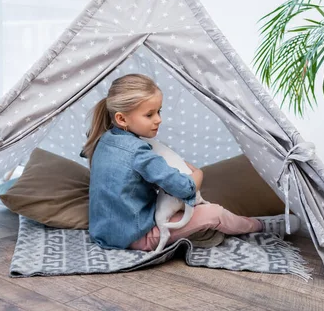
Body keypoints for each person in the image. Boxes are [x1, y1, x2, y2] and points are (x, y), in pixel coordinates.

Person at [81, 73, 299, 251]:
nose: (159, 119)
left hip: (103, 232)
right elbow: (183, 187)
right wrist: (199, 175)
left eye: (159, 111)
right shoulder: (139, 151)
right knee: (215, 213)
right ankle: (259, 225)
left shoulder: (104, 139)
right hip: (136, 236)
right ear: (122, 119)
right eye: (149, 115)